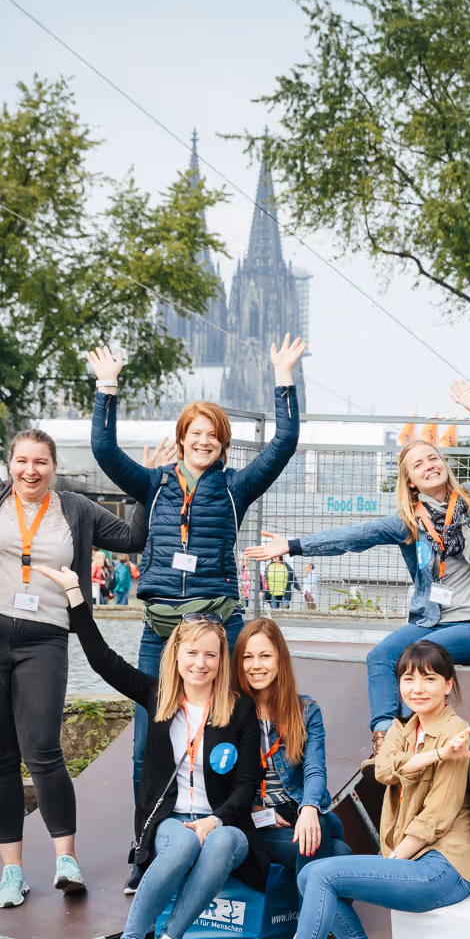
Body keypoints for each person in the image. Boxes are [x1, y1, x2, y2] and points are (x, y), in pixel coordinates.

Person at [0, 345, 152, 906]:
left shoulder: (76, 508)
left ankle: (66, 859)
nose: (31, 471)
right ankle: (11, 871)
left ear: (54, 468)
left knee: (43, 748)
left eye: (41, 463)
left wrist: (147, 486)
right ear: (9, 464)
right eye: (22, 461)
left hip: (45, 637)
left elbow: (132, 539)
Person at [247, 382, 470, 751]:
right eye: (419, 465)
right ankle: (385, 737)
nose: (429, 466)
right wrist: (292, 546)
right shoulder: (407, 523)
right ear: (411, 483)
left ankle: (409, 737)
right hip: (431, 621)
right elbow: (353, 536)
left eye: (433, 459)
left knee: (415, 655)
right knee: (380, 655)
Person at [86, 339, 304, 840]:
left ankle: (232, 826)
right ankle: (145, 843)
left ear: (223, 445)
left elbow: (284, 442)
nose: (204, 441)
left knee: (233, 727)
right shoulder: (154, 485)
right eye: (196, 433)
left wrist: (284, 378)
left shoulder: (235, 487)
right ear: (181, 438)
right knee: (146, 743)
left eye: (214, 436)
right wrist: (107, 387)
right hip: (161, 630)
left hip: (219, 627)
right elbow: (104, 451)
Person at [34, 565, 266, 939]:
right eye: (192, 653)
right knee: (181, 845)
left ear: (221, 660)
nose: (200, 663)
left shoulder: (239, 710)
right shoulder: (158, 697)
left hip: (222, 822)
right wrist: (75, 594)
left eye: (210, 655)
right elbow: (102, 660)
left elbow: (247, 785)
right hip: (170, 821)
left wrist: (214, 820)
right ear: (176, 655)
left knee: (223, 841)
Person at [231, 641, 470, 939]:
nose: (417, 688)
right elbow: (383, 770)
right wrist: (434, 755)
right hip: (412, 861)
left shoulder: (458, 734)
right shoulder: (403, 729)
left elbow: (435, 820)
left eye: (429, 679)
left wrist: (390, 864)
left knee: (321, 874)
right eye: (408, 679)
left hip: (443, 869)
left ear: (448, 685)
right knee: (310, 875)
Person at [232, 616, 351, 878]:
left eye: (265, 656)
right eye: (247, 657)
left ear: (280, 659)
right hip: (253, 817)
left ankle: (303, 904)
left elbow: (315, 769)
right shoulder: (229, 711)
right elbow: (219, 781)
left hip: (294, 807)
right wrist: (251, 810)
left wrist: (308, 808)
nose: (256, 665)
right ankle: (308, 906)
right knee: (339, 852)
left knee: (325, 826)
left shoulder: (306, 710)